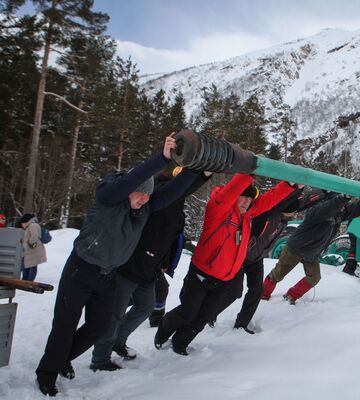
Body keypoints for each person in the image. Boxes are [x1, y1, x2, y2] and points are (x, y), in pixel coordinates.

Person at [35, 134, 204, 397]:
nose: (144, 199)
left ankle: (62, 359)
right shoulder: (109, 198)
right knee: (65, 325)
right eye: (140, 193)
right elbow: (128, 183)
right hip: (81, 270)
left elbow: (174, 191)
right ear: (129, 188)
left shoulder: (144, 208)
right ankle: (46, 373)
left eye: (148, 196)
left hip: (107, 276)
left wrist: (200, 172)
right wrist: (162, 158)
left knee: (98, 327)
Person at [154, 173, 296, 355]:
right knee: (187, 312)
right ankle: (162, 333)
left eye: (249, 198)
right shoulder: (218, 208)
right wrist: (248, 172)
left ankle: (180, 343)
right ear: (235, 195)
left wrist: (289, 185)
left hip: (224, 280)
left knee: (202, 317)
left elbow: (268, 201)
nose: (246, 202)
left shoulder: (248, 215)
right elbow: (229, 193)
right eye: (243, 197)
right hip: (201, 274)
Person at [89, 167, 210, 371]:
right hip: (130, 263)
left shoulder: (176, 197)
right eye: (181, 177)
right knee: (115, 313)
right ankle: (100, 358)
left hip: (150, 267)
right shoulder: (157, 191)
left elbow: (172, 233)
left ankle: (119, 340)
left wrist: (205, 175)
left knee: (145, 307)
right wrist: (199, 176)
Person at [208, 187, 326, 334]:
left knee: (257, 292)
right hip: (241, 257)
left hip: (256, 259)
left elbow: (301, 205)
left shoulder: (284, 220)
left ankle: (241, 324)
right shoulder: (269, 214)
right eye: (293, 209)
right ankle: (209, 314)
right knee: (234, 292)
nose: (296, 212)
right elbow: (295, 203)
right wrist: (296, 189)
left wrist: (325, 193)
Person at [262, 195, 360, 304]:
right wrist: (341, 199)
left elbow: (358, 207)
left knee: (314, 277)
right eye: (340, 204)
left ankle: (291, 295)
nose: (343, 207)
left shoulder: (340, 213)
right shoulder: (317, 211)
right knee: (278, 274)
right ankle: (263, 294)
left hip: (312, 252)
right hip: (296, 247)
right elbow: (325, 209)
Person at [19, 213, 47, 281]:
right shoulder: (30, 226)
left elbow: (34, 236)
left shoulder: (33, 225)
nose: (21, 225)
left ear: (25, 222)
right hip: (30, 250)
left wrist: (29, 243)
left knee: (32, 265)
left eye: (22, 223)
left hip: (33, 249)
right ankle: (25, 280)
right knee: (28, 265)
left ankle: (29, 281)